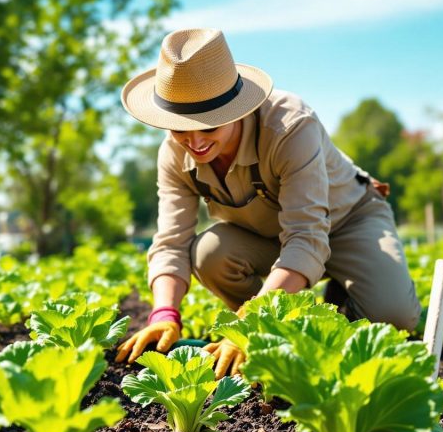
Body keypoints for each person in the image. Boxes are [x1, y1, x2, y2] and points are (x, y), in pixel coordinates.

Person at [114, 28, 420, 378]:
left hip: (348, 221)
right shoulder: (174, 154)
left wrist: (249, 323)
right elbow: (172, 241)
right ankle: (279, 331)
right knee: (210, 254)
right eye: (180, 128)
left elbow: (307, 237)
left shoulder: (290, 126)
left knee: (395, 318)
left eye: (208, 127)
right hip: (270, 238)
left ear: (234, 110)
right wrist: (164, 313)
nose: (194, 141)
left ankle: (308, 310)